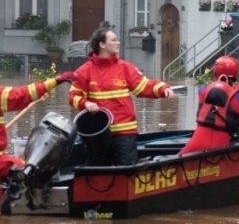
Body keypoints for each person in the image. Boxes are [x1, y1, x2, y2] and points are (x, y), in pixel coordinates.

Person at [68, 28, 174, 166]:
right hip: (99, 135)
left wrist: (162, 88)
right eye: (113, 40)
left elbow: (143, 86)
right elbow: (73, 97)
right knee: (99, 172)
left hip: (125, 132)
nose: (118, 43)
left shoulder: (125, 68)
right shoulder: (84, 71)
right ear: (102, 44)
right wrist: (85, 104)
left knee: (127, 171)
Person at [179, 56, 239, 155]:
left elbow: (228, 92)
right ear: (236, 75)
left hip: (192, 149)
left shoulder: (202, 90)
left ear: (215, 73)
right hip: (219, 151)